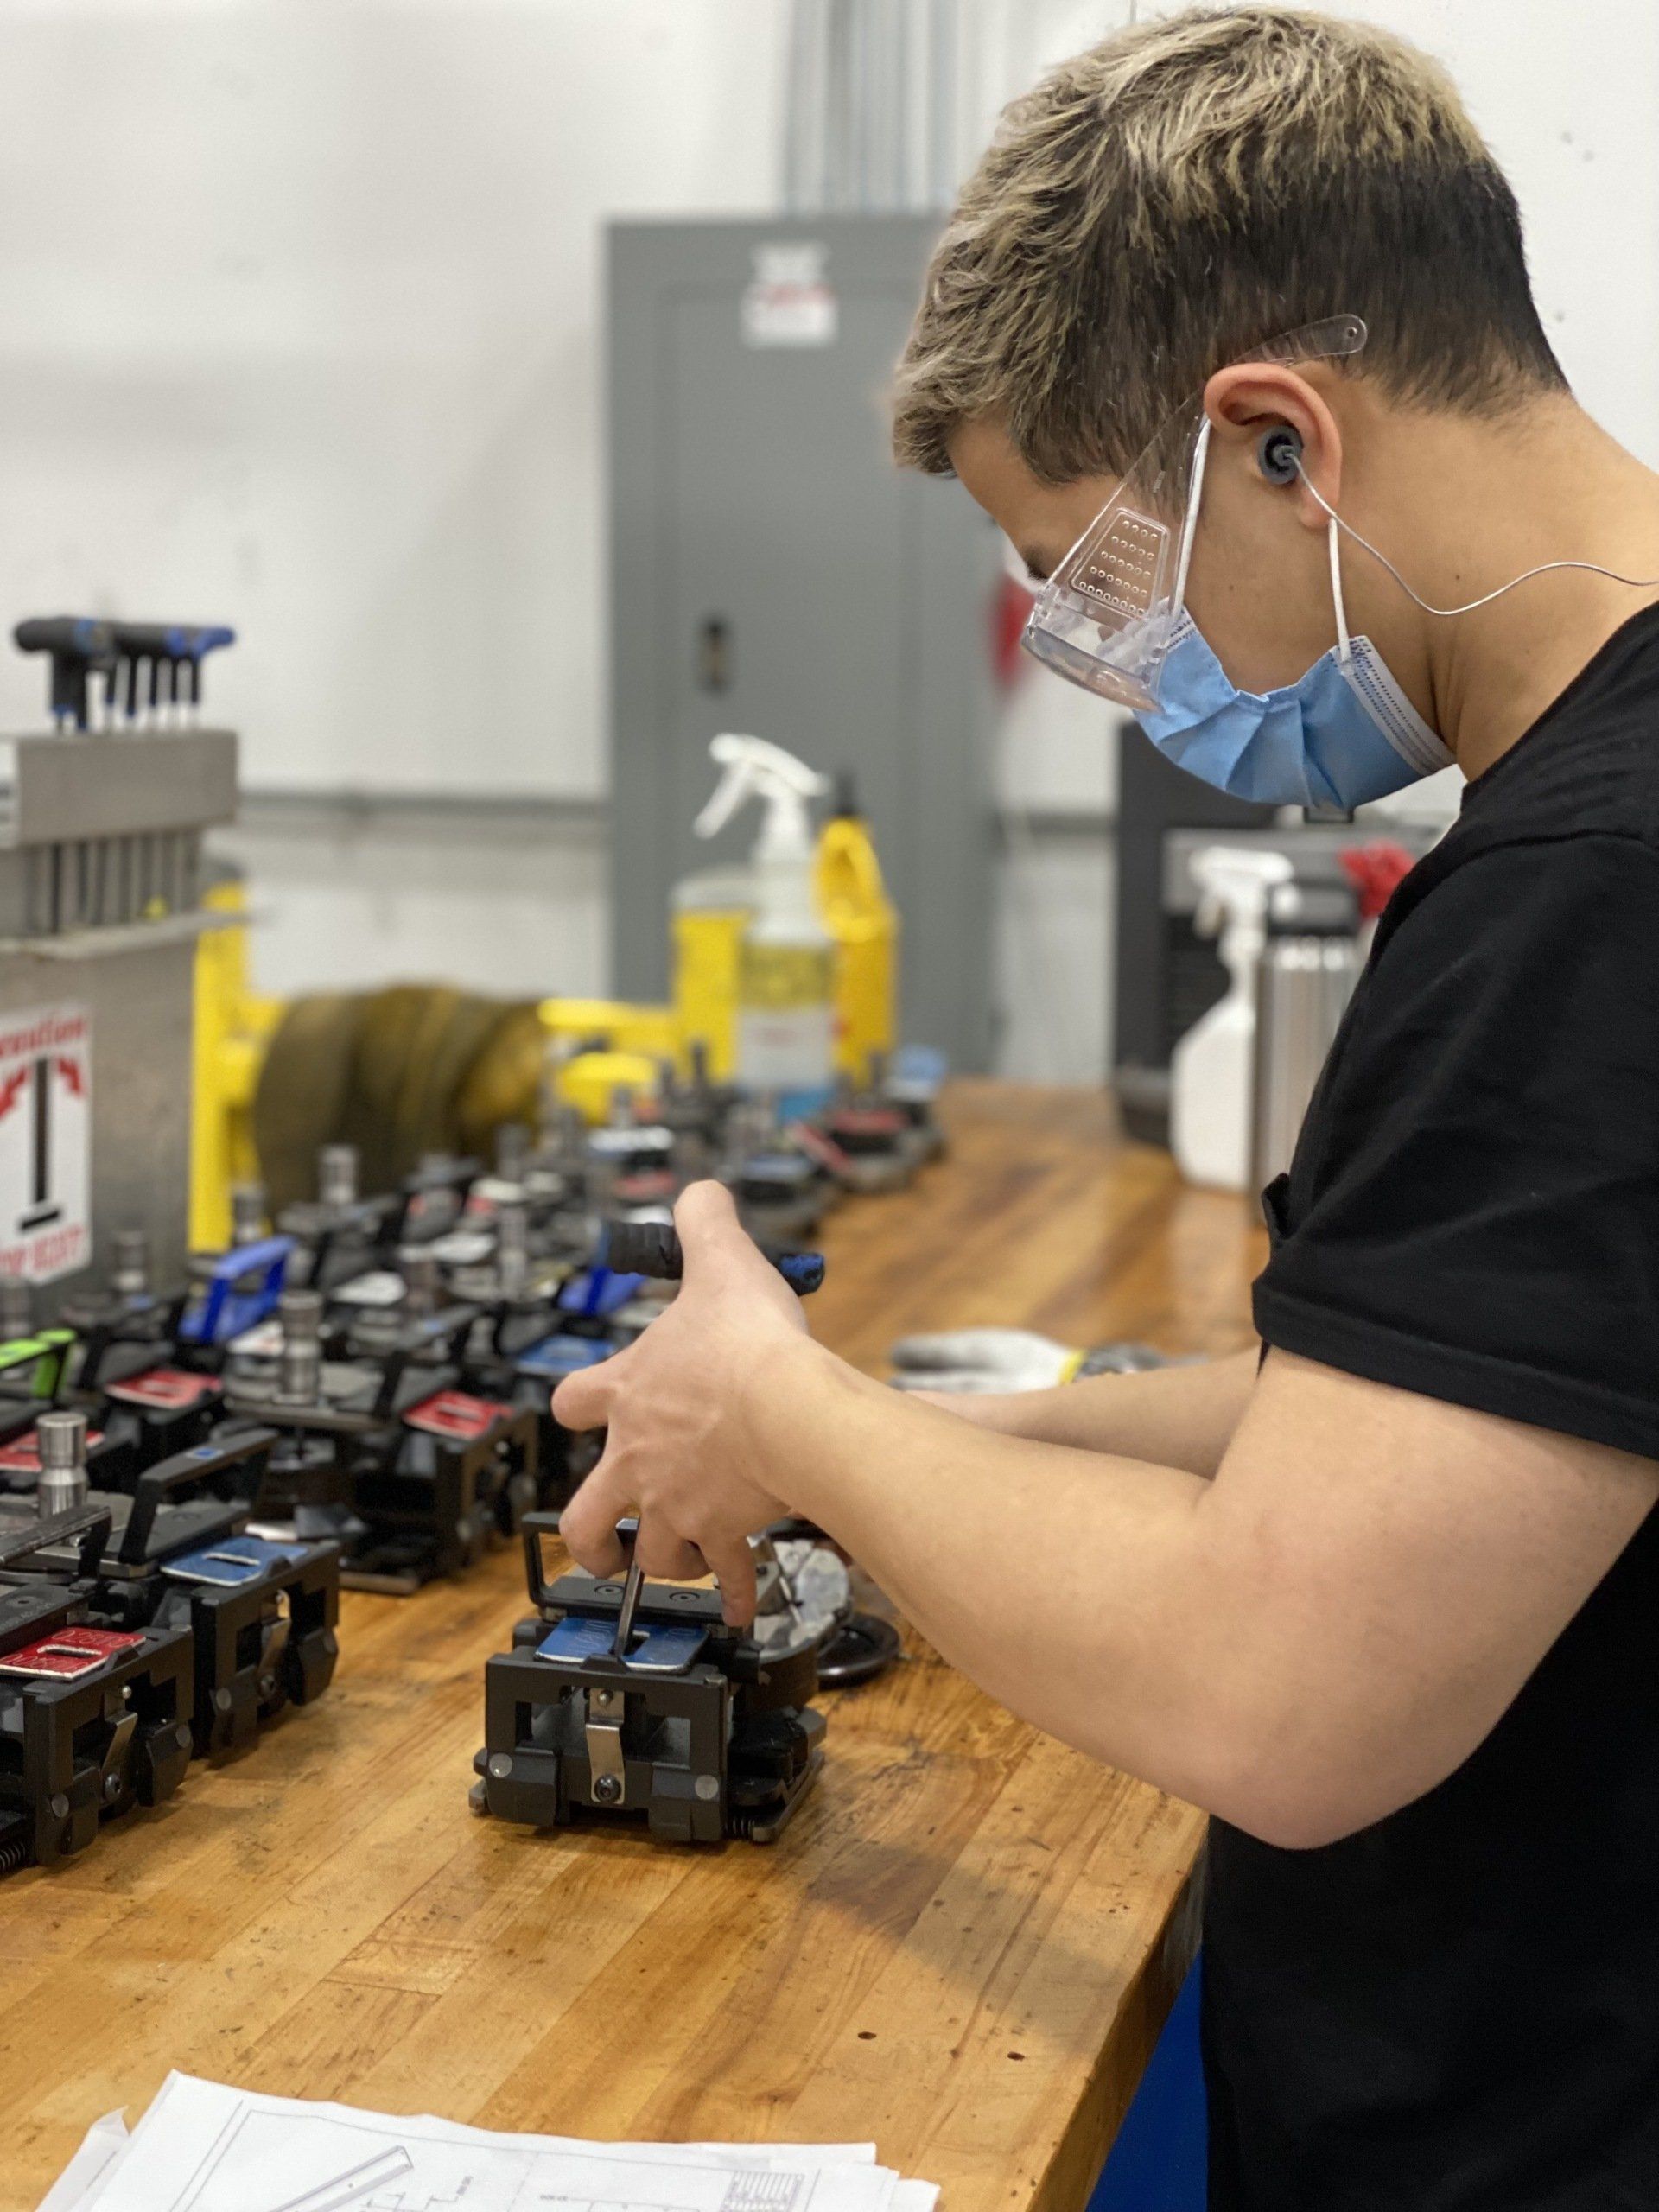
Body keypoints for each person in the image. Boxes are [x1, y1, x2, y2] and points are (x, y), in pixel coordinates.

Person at [556, 10, 1659, 2206]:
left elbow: (1286, 1688)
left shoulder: (1592, 896)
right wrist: (939, 1435)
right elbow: (1427, 1411)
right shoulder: (1581, 821)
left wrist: (783, 1410)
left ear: (1279, 442)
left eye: (1096, 587)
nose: (1129, 684)